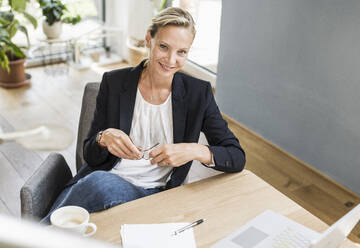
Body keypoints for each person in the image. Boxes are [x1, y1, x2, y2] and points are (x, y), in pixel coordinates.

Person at [41, 7, 245, 223]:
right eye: (164, 47)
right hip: (100, 181)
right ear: (149, 39)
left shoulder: (198, 94)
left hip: (151, 194)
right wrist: (103, 139)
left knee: (97, 187)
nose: (171, 59)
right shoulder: (114, 82)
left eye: (182, 52)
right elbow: (90, 155)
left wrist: (193, 150)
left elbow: (236, 156)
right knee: (92, 190)